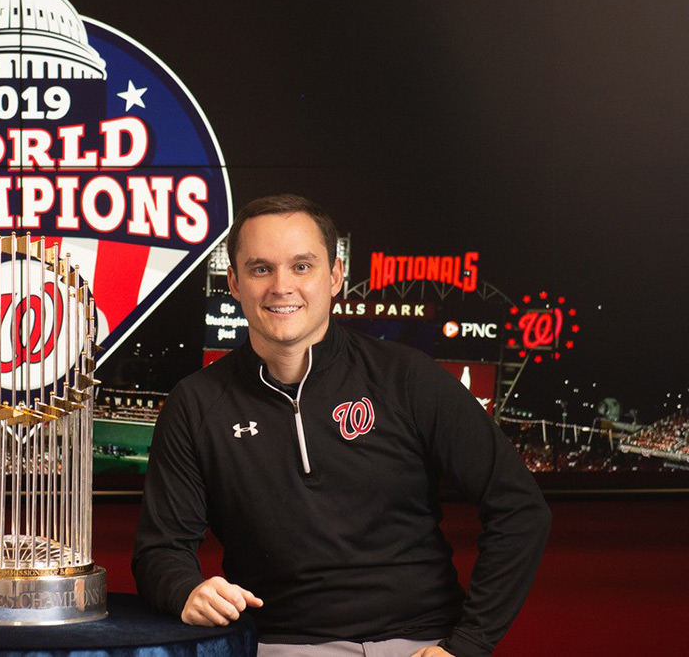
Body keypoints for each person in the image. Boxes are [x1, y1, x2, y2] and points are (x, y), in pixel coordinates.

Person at [132, 194, 550, 656]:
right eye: (260, 269)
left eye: (302, 266)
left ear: (334, 277)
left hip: (424, 642)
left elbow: (519, 508)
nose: (281, 287)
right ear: (233, 282)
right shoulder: (195, 404)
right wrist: (186, 589)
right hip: (280, 645)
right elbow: (160, 552)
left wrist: (467, 645)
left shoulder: (406, 376)